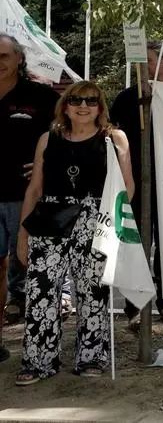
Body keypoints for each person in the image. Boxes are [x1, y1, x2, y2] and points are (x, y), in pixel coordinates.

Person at [15, 82, 135, 385]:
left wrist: (113, 221)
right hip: (49, 218)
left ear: (100, 106)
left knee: (93, 292)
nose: (84, 106)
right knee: (41, 291)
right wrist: (22, 235)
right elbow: (35, 189)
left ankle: (92, 356)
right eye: (76, 100)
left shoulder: (114, 138)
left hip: (95, 220)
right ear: (65, 105)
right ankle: (39, 361)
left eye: (91, 101)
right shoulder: (48, 138)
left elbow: (128, 186)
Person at [110, 42, 163, 332]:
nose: (143, 68)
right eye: (140, 62)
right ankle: (134, 306)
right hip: (136, 184)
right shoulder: (126, 99)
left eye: (150, 61)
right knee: (138, 244)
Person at [0, 34, 59, 363]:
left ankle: (39, 347)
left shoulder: (39, 96)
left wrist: (48, 165)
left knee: (35, 270)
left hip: (28, 198)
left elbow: (69, 130)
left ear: (19, 59)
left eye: (4, 56)